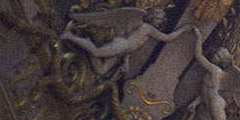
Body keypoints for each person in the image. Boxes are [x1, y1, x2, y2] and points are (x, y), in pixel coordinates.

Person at [60, 7, 191, 75]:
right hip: (121, 45)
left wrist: (126, 62)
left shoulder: (144, 30)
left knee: (101, 70)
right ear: (153, 17)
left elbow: (132, 45)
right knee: (97, 52)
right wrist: (183, 29)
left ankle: (87, 43)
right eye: (159, 19)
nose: (160, 22)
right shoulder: (147, 28)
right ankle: (70, 36)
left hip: (122, 50)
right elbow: (167, 38)